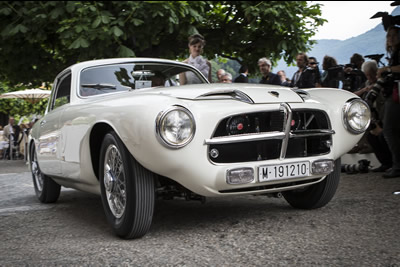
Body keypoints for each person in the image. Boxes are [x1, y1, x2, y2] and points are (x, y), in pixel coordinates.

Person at [376, 25, 400, 178]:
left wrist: (387, 70)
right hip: (393, 93)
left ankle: (397, 166)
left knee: (389, 130)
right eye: (388, 36)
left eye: (393, 35)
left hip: (396, 94)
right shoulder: (394, 53)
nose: (390, 39)